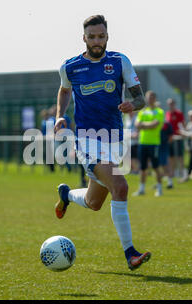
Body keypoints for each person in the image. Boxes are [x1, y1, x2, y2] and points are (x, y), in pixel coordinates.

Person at [53, 15, 151, 271]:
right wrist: (60, 115)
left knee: (94, 203)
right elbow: (64, 90)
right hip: (86, 140)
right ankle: (130, 253)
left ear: (107, 37)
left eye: (101, 36)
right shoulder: (70, 67)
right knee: (120, 186)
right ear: (84, 38)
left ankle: (66, 194)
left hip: (114, 141)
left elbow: (141, 99)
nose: (97, 41)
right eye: (92, 37)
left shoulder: (120, 62)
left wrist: (134, 104)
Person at [133, 91, 164, 197]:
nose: (150, 99)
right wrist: (146, 125)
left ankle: (159, 188)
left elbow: (155, 125)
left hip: (154, 143)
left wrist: (143, 125)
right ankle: (141, 189)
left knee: (156, 167)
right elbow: (137, 124)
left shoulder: (159, 111)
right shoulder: (142, 112)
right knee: (142, 167)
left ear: (155, 99)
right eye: (148, 97)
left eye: (152, 97)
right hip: (143, 143)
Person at [165, 98, 186, 186]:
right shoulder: (167, 114)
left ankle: (183, 175)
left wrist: (182, 133)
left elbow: (182, 124)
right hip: (170, 139)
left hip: (178, 138)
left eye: (172, 104)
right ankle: (171, 175)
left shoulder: (179, 113)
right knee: (171, 158)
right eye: (169, 104)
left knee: (180, 157)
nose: (171, 105)